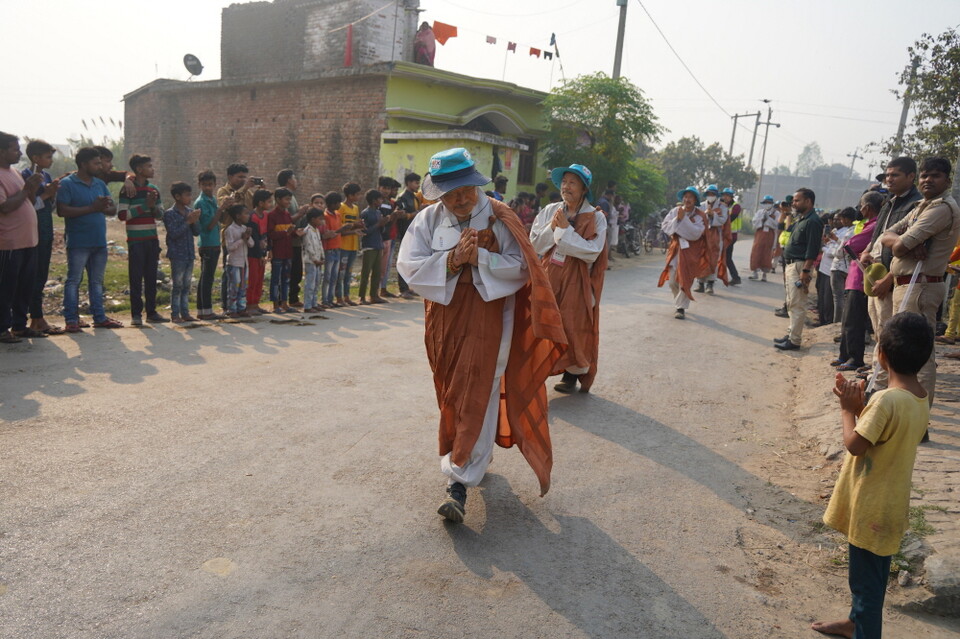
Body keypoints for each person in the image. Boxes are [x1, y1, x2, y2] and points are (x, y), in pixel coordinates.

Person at [396, 147, 566, 523]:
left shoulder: (499, 217)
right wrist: (453, 260)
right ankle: (476, 455)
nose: (459, 200)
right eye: (450, 193)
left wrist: (481, 260)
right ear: (438, 192)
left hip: (490, 321)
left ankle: (457, 481)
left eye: (465, 191)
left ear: (476, 185)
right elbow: (409, 265)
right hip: (443, 323)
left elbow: (523, 267)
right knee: (451, 390)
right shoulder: (427, 220)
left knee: (479, 386)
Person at [812, 312, 931, 639]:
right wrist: (860, 404)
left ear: (881, 354)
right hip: (890, 506)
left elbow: (855, 445)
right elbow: (884, 433)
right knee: (873, 580)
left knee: (864, 585)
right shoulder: (920, 397)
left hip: (871, 507)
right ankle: (854, 623)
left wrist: (848, 410)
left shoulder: (886, 400)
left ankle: (864, 629)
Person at [876, 157, 960, 412]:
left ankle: (917, 417)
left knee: (919, 357)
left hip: (920, 286)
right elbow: (886, 235)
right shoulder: (922, 206)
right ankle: (902, 410)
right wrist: (902, 241)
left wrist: (901, 241)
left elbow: (899, 246)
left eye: (934, 176)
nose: (927, 180)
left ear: (947, 180)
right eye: (924, 175)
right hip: (907, 285)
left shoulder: (941, 208)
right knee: (901, 351)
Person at [529, 163, 607, 393]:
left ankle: (571, 373)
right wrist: (552, 228)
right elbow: (535, 244)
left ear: (584, 189)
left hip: (578, 278)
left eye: (573, 182)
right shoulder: (550, 210)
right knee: (543, 319)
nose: (567, 187)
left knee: (573, 325)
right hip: (549, 273)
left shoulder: (596, 217)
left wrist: (565, 231)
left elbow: (592, 251)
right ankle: (538, 368)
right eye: (564, 182)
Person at [860, 157, 923, 385]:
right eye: (887, 175)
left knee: (891, 335)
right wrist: (867, 250)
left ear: (911, 177)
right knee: (878, 330)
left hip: (894, 279)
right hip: (875, 275)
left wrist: (889, 278)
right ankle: (877, 373)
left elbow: (910, 249)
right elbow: (878, 235)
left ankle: (883, 381)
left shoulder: (916, 206)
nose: (889, 179)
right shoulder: (888, 202)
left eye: (895, 175)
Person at [56, 147, 123, 332]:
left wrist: (103, 207)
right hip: (78, 242)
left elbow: (112, 210)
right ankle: (71, 319)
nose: (99, 166)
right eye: (96, 163)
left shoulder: (99, 184)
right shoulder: (68, 184)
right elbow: (62, 211)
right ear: (83, 164)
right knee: (74, 280)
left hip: (99, 241)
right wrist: (92, 208)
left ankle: (99, 317)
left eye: (100, 163)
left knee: (96, 282)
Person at [0, 132, 45, 343]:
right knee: (6, 287)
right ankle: (2, 328)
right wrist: (27, 188)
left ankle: (19, 326)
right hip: (9, 243)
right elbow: (5, 207)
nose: (19, 153)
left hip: (28, 241)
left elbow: (28, 199)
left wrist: (33, 187)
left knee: (24, 286)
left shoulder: (15, 173)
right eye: (14, 149)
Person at [831, 195, 881, 371]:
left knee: (854, 321)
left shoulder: (874, 226)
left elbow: (851, 244)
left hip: (861, 280)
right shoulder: (867, 225)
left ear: (867, 207)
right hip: (853, 278)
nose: (859, 210)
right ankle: (844, 355)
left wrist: (846, 243)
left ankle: (855, 357)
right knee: (847, 321)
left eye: (861, 206)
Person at [20, 140, 63, 336]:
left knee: (42, 273)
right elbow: (26, 205)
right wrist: (46, 195)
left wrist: (51, 194)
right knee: (32, 274)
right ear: (35, 158)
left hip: (45, 229)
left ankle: (37, 317)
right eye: (47, 157)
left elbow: (48, 207)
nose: (50, 161)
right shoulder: (26, 177)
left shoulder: (46, 176)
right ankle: (35, 317)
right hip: (32, 230)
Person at [119, 154, 167, 325]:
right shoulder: (128, 190)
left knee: (151, 277)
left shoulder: (153, 190)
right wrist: (145, 206)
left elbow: (160, 215)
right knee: (136, 278)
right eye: (149, 166)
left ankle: (152, 312)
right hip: (136, 240)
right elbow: (123, 215)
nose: (152, 169)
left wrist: (152, 207)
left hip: (151, 239)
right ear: (139, 169)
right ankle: (136, 315)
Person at [774, 188, 823, 351]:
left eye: (797, 201)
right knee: (791, 302)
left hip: (801, 266)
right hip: (792, 265)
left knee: (797, 303)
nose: (793, 204)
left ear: (808, 201)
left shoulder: (813, 221)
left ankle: (794, 340)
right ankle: (790, 334)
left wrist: (806, 271)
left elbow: (812, 248)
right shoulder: (802, 219)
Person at [657, 186, 710, 319]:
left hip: (692, 252)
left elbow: (695, 234)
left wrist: (683, 220)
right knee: (673, 281)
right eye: (685, 197)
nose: (687, 200)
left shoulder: (700, 215)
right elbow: (665, 226)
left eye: (690, 197)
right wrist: (677, 219)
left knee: (685, 279)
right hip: (676, 249)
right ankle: (679, 302)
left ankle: (680, 308)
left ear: (695, 200)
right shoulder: (675, 211)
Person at [163, 182, 201, 323]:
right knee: (177, 285)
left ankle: (185, 313)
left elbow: (197, 232)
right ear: (177, 196)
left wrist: (195, 220)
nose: (189, 198)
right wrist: (188, 221)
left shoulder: (189, 211)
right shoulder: (169, 214)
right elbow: (173, 233)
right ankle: (175, 314)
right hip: (177, 254)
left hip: (189, 254)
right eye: (187, 195)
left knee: (186, 285)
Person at [194, 170, 229, 320]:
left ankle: (203, 310)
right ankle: (206, 310)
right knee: (207, 278)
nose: (207, 187)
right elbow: (209, 225)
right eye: (204, 185)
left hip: (214, 242)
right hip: (207, 243)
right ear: (199, 185)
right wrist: (221, 209)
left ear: (215, 185)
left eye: (210, 185)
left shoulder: (212, 199)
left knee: (206, 277)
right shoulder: (201, 202)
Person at [268, 187, 303, 313]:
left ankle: (284, 303)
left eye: (290, 199)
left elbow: (290, 232)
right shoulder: (272, 216)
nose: (289, 202)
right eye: (287, 199)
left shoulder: (287, 214)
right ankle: (275, 305)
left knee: (286, 278)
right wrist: (286, 232)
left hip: (288, 252)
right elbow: (271, 234)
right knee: (276, 279)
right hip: (278, 252)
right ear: (278, 200)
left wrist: (295, 233)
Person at [277, 169, 306, 308]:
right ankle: (283, 300)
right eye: (294, 178)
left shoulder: (292, 197)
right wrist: (300, 214)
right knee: (288, 271)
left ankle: (293, 298)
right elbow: (286, 220)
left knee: (296, 271)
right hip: (287, 240)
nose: (296, 181)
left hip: (296, 239)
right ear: (289, 180)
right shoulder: (284, 197)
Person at [695, 184, 728, 295]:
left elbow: (723, 220)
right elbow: (696, 218)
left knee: (713, 259)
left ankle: (710, 283)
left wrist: (713, 215)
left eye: (712, 194)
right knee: (701, 258)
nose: (710, 196)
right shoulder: (701, 205)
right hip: (702, 235)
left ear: (716, 195)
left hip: (715, 236)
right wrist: (705, 215)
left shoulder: (722, 207)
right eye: (708, 194)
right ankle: (700, 283)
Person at [395, 172, 424, 299]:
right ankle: (402, 288)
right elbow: (401, 215)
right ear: (408, 183)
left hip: (414, 232)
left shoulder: (415, 197)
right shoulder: (402, 198)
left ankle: (409, 286)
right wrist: (416, 213)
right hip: (404, 232)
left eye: (418, 183)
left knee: (411, 261)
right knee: (403, 260)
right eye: (416, 183)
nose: (418, 185)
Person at [828, 208, 857, 325]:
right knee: (843, 298)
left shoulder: (848, 232)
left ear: (846, 219)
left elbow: (839, 252)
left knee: (838, 298)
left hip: (838, 267)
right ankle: (842, 322)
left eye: (841, 219)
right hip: (847, 268)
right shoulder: (855, 229)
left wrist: (832, 245)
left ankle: (837, 323)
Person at [358, 189, 387, 304]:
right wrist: (378, 224)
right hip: (369, 245)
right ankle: (362, 296)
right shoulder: (365, 213)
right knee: (366, 272)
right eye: (380, 199)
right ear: (374, 200)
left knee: (377, 272)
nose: (381, 201)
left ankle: (374, 295)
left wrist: (384, 224)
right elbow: (365, 232)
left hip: (378, 244)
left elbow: (381, 230)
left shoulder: (378, 212)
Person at [224, 205, 253, 317]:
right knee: (234, 286)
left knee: (243, 286)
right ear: (238, 216)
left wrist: (248, 237)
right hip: (234, 263)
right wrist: (242, 239)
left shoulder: (244, 228)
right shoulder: (230, 230)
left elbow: (251, 244)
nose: (248, 216)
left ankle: (241, 308)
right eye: (245, 213)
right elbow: (230, 247)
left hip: (244, 263)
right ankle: (232, 309)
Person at [337, 182, 363, 306]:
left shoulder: (356, 208)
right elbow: (339, 227)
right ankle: (338, 296)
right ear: (350, 195)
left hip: (353, 244)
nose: (359, 197)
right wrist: (353, 227)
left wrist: (359, 225)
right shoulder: (341, 207)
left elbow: (356, 222)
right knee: (341, 272)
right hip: (343, 244)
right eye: (357, 194)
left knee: (349, 272)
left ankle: (346, 296)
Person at [246, 189, 272, 314]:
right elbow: (254, 238)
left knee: (259, 280)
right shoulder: (253, 217)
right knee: (252, 279)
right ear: (261, 203)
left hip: (262, 251)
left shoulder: (266, 215)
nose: (270, 204)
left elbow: (268, 233)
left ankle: (256, 303)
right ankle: (250, 304)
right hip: (253, 253)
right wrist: (259, 254)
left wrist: (268, 250)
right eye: (269, 202)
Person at [378, 176, 402, 299]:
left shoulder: (391, 203)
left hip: (391, 236)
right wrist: (393, 216)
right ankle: (377, 290)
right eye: (385, 188)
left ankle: (383, 288)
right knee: (380, 265)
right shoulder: (379, 202)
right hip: (382, 236)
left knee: (386, 265)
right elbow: (385, 220)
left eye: (389, 188)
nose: (388, 191)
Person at [321, 191, 344, 308]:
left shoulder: (338, 215)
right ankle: (325, 299)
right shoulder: (325, 216)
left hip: (337, 247)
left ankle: (330, 299)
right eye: (338, 203)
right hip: (329, 248)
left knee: (335, 276)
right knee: (328, 276)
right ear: (332, 204)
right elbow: (328, 234)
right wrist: (342, 230)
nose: (340, 205)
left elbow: (339, 230)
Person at [301, 208, 326, 313]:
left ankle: (314, 304)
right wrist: (315, 259)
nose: (321, 221)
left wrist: (322, 257)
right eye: (320, 219)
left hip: (318, 261)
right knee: (310, 284)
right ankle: (307, 305)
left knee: (316, 283)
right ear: (313, 219)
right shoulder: (307, 231)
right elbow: (308, 246)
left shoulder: (317, 231)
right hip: (311, 262)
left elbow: (320, 244)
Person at [749, 195, 779, 281]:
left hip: (770, 234)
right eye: (765, 203)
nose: (767, 204)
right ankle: (754, 272)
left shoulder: (776, 213)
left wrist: (769, 219)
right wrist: (762, 219)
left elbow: (776, 224)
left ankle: (764, 274)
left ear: (772, 203)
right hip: (760, 233)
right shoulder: (760, 212)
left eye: (769, 203)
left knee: (767, 253)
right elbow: (754, 222)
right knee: (756, 251)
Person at [816, 211, 836, 327]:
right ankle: (822, 320)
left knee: (828, 299)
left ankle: (827, 322)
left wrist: (824, 248)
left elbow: (835, 252)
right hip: (823, 268)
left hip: (831, 270)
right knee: (822, 295)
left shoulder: (843, 234)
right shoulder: (833, 232)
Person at [720, 187, 742, 285]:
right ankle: (735, 277)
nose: (725, 197)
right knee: (726, 257)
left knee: (725, 257)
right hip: (723, 234)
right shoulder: (723, 205)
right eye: (724, 195)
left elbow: (731, 218)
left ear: (731, 197)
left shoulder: (736, 206)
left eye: (727, 196)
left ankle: (735, 277)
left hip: (731, 235)